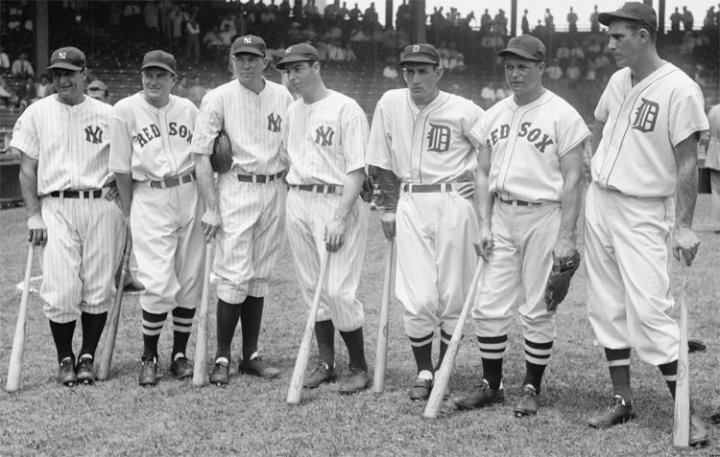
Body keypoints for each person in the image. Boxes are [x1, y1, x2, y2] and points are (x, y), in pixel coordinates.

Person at [585, 3, 709, 446]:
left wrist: (684, 224)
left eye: (619, 36)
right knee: (605, 304)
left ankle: (686, 414)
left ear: (644, 36)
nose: (610, 43)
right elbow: (599, 125)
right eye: (610, 35)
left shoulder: (680, 89)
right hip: (600, 200)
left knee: (651, 310)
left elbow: (687, 163)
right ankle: (622, 398)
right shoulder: (619, 80)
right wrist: (594, 167)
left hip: (642, 208)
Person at [452, 34, 588, 416]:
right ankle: (491, 384)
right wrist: (482, 223)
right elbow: (481, 173)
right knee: (489, 304)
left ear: (541, 67)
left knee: (536, 307)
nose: (514, 73)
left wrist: (567, 235)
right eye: (509, 66)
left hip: (544, 214)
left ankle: (531, 386)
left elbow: (575, 179)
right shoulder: (493, 114)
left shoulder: (563, 114)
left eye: (523, 66)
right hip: (502, 214)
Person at [366, 43, 483, 401]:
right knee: (417, 297)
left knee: (452, 293)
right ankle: (424, 370)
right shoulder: (389, 102)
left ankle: (444, 367)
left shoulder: (464, 109)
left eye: (421, 71)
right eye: (408, 71)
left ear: (438, 72)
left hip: (453, 202)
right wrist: (387, 206)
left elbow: (494, 148)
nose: (414, 78)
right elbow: (380, 159)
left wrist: (476, 172)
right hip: (410, 200)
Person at [11, 46, 125, 386]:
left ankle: (87, 355)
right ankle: (65, 358)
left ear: (84, 74)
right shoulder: (36, 113)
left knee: (98, 286)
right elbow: (27, 170)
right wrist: (33, 215)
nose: (62, 79)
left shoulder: (109, 114)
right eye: (56, 74)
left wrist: (122, 186)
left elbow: (126, 162)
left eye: (69, 73)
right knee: (60, 289)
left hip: (101, 205)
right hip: (56, 205)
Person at [189, 35, 293, 386]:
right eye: (239, 58)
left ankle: (250, 355)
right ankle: (222, 356)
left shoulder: (283, 95)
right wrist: (211, 208)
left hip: (274, 186)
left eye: (253, 58)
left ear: (265, 60)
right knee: (234, 275)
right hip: (236, 186)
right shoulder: (218, 97)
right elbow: (202, 156)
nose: (246, 64)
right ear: (231, 60)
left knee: (259, 275)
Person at [276, 43, 371, 394]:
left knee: (338, 290)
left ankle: (359, 366)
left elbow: (357, 169)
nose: (292, 77)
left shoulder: (346, 108)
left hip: (335, 201)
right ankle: (327, 363)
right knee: (312, 287)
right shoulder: (292, 111)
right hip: (298, 197)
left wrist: (340, 216)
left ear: (316, 67)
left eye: (298, 68)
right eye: (287, 70)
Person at [109, 50, 205, 386]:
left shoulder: (189, 109)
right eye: (148, 74)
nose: (153, 80)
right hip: (149, 195)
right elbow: (121, 167)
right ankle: (149, 355)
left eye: (161, 75)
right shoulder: (124, 111)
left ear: (173, 79)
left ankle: (179, 354)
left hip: (190, 192)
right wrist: (127, 208)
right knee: (158, 281)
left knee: (189, 279)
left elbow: (202, 156)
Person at [705, 103, 720, 233]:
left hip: (713, 152)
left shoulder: (713, 110)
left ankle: (717, 223)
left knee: (715, 190)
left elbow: (707, 134)